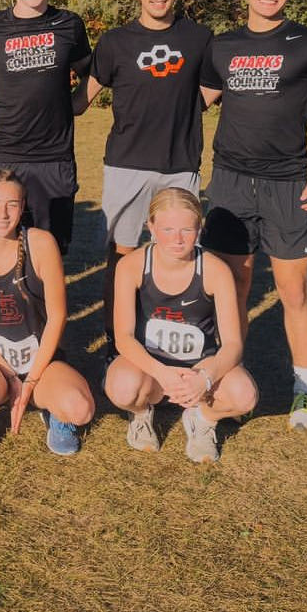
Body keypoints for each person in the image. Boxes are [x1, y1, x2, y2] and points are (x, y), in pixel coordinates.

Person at [199, 0, 307, 431]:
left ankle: (305, 390)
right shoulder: (222, 45)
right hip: (231, 184)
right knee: (232, 287)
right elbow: (193, 100)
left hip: (289, 185)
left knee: (294, 290)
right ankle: (225, 375)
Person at [82, 0, 213, 329]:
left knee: (179, 255)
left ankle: (177, 337)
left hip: (179, 166)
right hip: (126, 164)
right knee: (123, 255)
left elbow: (211, 91)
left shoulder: (200, 38)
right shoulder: (115, 42)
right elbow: (79, 103)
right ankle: (116, 339)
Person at [105, 188, 257, 463]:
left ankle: (203, 419)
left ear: (200, 228)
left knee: (244, 396)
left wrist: (205, 378)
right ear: (150, 226)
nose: (177, 239)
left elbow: (233, 344)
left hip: (199, 367)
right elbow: (124, 337)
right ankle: (141, 414)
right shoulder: (130, 265)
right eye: (167, 229)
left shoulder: (215, 270)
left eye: (187, 230)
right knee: (122, 388)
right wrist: (161, 373)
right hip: (150, 370)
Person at [0, 169, 95, 455]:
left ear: (23, 207)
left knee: (79, 409)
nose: (2, 213)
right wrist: (8, 375)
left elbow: (57, 317)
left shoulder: (41, 243)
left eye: (12, 204)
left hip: (41, 362)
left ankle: (53, 410)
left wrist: (29, 382)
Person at [0, 0, 92, 255]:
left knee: (49, 250)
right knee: (0, 245)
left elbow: (93, 73)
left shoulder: (70, 25)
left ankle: (44, 306)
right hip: (5, 153)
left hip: (54, 159)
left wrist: (78, 103)